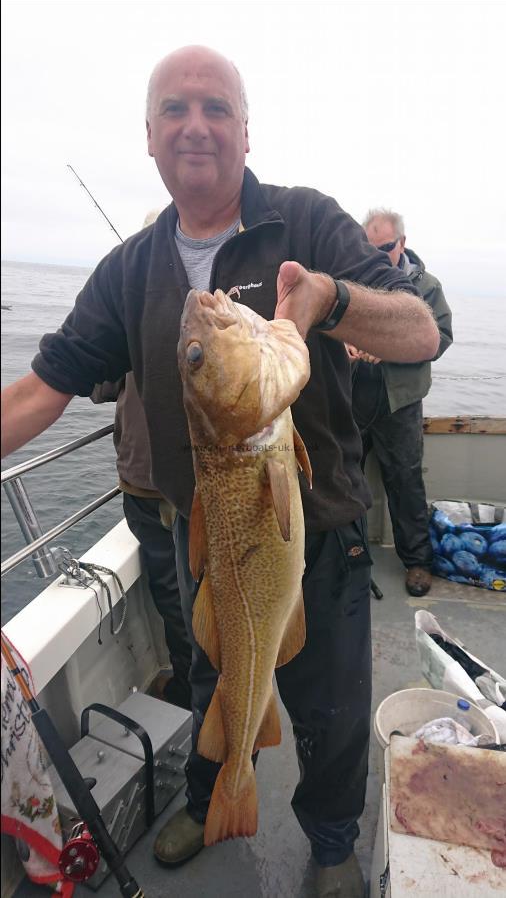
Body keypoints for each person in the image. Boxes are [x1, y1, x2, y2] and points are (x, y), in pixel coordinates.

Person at [1, 46, 439, 898]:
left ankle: (331, 840)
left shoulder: (306, 221)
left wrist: (331, 301)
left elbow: (421, 332)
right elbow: (40, 389)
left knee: (334, 710)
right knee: (215, 678)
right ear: (151, 138)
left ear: (245, 129)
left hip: (324, 529)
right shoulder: (128, 270)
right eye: (174, 109)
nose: (194, 125)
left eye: (214, 107)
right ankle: (214, 792)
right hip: (200, 540)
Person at [347, 209, 452, 598]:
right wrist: (344, 345)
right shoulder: (350, 282)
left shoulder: (427, 286)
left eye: (387, 247)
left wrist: (390, 350)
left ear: (402, 243)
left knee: (406, 481)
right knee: (345, 478)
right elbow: (328, 326)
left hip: (401, 402)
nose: (378, 255)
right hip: (354, 398)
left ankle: (418, 561)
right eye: (370, 248)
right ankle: (349, 556)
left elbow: (440, 337)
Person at [91, 371, 193, 711]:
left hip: (149, 483)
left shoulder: (133, 319)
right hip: (207, 481)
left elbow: (96, 385)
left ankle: (191, 689)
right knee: (212, 590)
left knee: (171, 590)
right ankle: (217, 684)